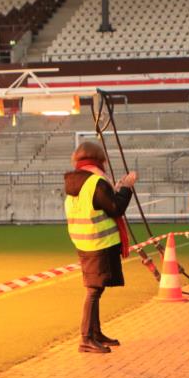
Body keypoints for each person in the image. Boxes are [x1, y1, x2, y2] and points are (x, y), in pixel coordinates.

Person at [64, 140, 135, 354]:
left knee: (97, 288)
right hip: (99, 242)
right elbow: (115, 208)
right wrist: (127, 188)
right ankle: (86, 338)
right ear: (99, 158)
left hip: (85, 241)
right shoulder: (96, 181)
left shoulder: (77, 182)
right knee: (94, 290)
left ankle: (95, 332)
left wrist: (117, 189)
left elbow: (100, 204)